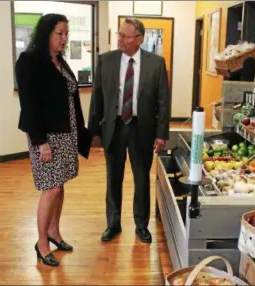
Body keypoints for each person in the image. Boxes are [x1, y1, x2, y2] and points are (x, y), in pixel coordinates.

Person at [16, 14, 91, 266]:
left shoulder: (60, 60)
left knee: (61, 187)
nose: (64, 38)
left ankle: (54, 232)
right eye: (59, 33)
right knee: (52, 188)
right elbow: (29, 105)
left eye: (66, 33)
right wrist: (41, 142)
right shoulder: (29, 61)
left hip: (66, 133)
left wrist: (81, 133)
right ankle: (41, 242)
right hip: (46, 137)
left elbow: (70, 100)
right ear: (46, 33)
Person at [88, 17, 170, 244]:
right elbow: (97, 98)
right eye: (120, 35)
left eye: (125, 36)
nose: (121, 40)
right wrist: (92, 131)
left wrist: (162, 133)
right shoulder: (106, 61)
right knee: (113, 177)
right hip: (113, 127)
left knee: (142, 178)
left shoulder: (156, 63)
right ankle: (113, 224)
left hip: (141, 128)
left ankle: (141, 225)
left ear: (139, 39)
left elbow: (163, 101)